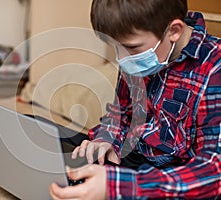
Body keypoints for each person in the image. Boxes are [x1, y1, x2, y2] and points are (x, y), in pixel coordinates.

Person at [50, 0, 221, 199]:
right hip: (133, 155)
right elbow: (121, 113)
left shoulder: (215, 69)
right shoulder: (135, 57)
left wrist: (120, 186)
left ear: (174, 31)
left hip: (171, 179)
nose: (122, 59)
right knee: (45, 134)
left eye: (131, 48)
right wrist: (107, 138)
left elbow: (213, 170)